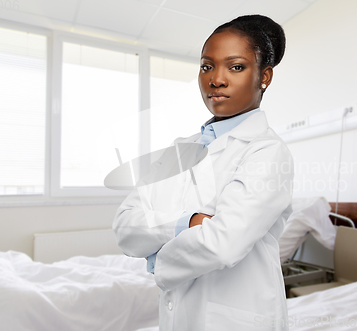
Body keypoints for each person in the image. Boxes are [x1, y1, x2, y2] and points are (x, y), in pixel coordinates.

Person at [113, 14, 294, 331]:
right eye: (207, 66)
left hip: (237, 315)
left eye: (235, 67)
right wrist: (188, 222)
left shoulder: (267, 151)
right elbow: (125, 224)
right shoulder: (180, 149)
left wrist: (157, 255)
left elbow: (223, 242)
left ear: (264, 76)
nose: (217, 79)